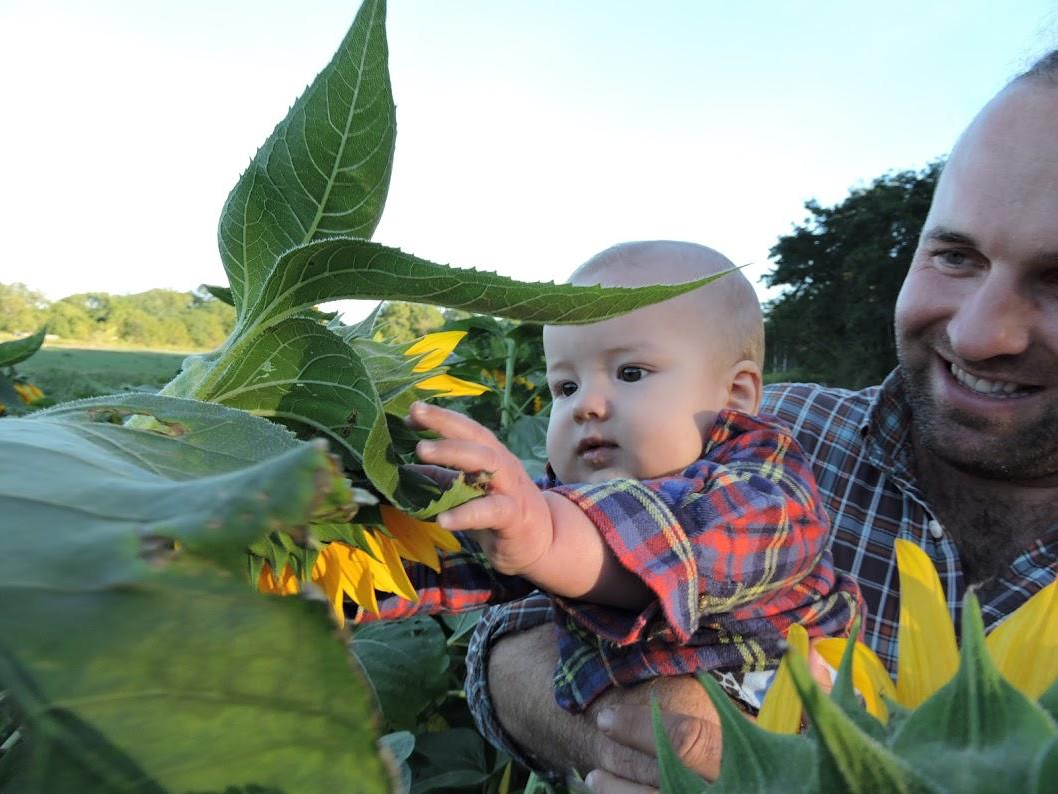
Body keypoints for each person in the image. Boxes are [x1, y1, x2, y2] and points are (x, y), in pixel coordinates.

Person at [462, 48, 1058, 790]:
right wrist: (626, 726)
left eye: (1055, 280)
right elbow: (502, 636)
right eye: (956, 256)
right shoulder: (752, 440)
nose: (976, 334)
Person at [364, 240, 861, 716]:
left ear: (734, 395)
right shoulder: (561, 506)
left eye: (629, 373)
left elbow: (692, 539)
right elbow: (461, 554)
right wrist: (350, 551)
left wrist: (547, 534)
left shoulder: (768, 486)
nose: (586, 405)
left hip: (797, 744)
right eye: (565, 385)